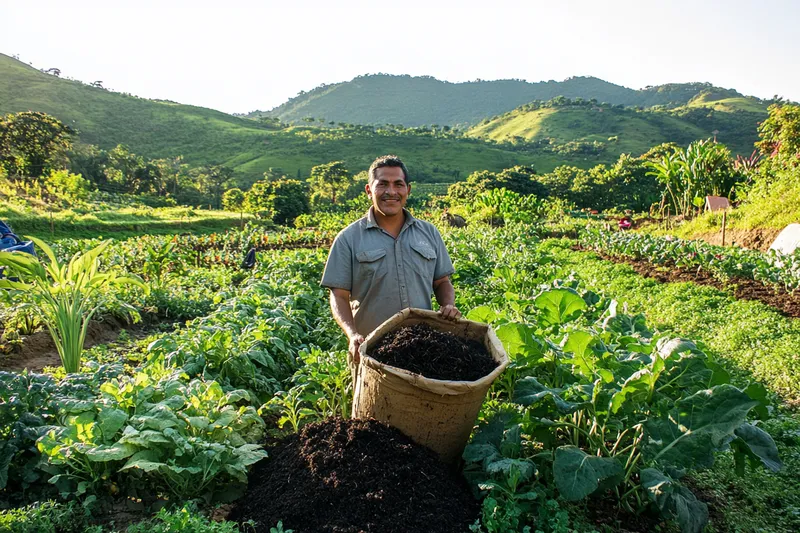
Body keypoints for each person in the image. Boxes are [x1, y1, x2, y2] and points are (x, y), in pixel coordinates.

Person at [320, 154, 461, 368]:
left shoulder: (429, 233)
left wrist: (448, 305)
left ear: (408, 190)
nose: (391, 192)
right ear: (369, 190)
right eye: (382, 184)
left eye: (398, 184)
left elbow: (442, 282)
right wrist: (352, 334)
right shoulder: (348, 239)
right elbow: (339, 295)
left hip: (423, 347)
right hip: (371, 349)